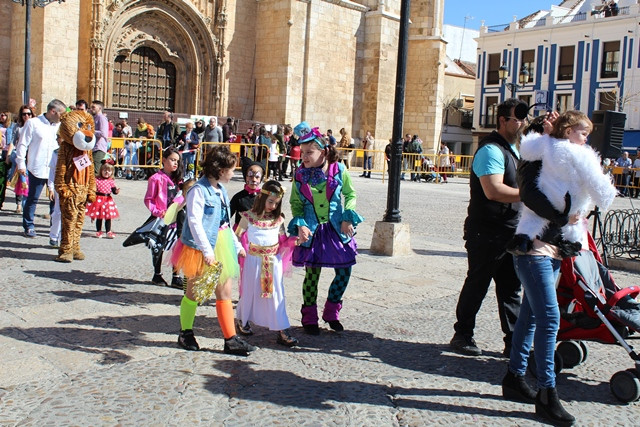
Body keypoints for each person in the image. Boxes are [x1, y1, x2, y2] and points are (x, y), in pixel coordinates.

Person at [502, 111, 616, 426]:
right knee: (549, 319)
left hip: (553, 251)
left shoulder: (564, 162)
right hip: (533, 248)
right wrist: (564, 218)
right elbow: (530, 195)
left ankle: (513, 377)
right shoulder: (536, 159)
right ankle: (547, 394)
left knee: (529, 316)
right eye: (580, 133)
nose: (585, 140)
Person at [450, 98, 526, 357]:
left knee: (511, 288)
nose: (522, 123)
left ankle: (514, 341)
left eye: (524, 118)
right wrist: (528, 196)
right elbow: (493, 190)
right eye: (517, 118)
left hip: (509, 230)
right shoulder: (491, 150)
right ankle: (462, 335)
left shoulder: (515, 150)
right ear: (503, 120)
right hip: (487, 231)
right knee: (478, 283)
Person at [171, 145, 256, 356]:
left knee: (224, 292)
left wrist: (235, 245)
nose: (233, 173)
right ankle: (186, 333)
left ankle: (230, 338)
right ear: (220, 170)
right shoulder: (198, 190)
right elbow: (194, 222)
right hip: (199, 247)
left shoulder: (221, 190)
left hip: (221, 244)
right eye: (231, 169)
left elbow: (224, 222)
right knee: (193, 292)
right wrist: (206, 251)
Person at [289, 122, 363, 335]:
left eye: (309, 152)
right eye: (302, 152)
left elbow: (350, 194)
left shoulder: (339, 169)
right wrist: (301, 224)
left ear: (323, 151)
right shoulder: (300, 175)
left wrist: (348, 217)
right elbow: (296, 204)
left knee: (344, 271)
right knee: (312, 274)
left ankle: (331, 312)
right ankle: (309, 317)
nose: (303, 156)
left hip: (337, 228)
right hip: (312, 232)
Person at [235, 180, 299, 347]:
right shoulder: (248, 217)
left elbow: (283, 241)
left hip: (273, 262)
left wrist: (295, 241)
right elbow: (235, 236)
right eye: (270, 201)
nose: (272, 206)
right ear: (262, 198)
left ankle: (282, 329)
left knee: (277, 294)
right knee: (249, 290)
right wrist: (239, 248)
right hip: (252, 260)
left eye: (276, 203)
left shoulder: (278, 220)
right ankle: (243, 319)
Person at [16, 99, 66, 238]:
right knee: (32, 198)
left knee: (55, 200)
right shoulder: (33, 123)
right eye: (61, 113)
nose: (63, 117)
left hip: (55, 168)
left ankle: (54, 228)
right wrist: (21, 164)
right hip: (36, 167)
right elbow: (22, 144)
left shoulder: (60, 126)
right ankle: (29, 225)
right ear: (52, 111)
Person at [144, 146, 185, 289]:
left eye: (177, 161)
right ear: (164, 160)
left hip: (176, 218)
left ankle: (176, 276)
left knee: (177, 246)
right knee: (158, 246)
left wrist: (178, 205)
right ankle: (157, 274)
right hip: (160, 219)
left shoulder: (180, 180)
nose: (175, 164)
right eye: (172, 160)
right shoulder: (155, 179)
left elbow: (183, 197)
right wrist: (157, 211)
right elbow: (149, 199)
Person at [85, 160, 120, 238]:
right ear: (101, 171)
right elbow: (93, 188)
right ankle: (98, 231)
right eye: (105, 170)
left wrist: (116, 191)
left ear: (112, 172)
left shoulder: (111, 181)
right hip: (99, 200)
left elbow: (113, 190)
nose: (107, 172)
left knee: (108, 217)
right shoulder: (97, 179)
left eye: (109, 171)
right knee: (99, 217)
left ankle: (108, 231)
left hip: (107, 200)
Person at [230, 158, 265, 227]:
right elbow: (227, 216)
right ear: (245, 177)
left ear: (261, 179)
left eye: (257, 177)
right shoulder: (238, 197)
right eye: (250, 176)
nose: (254, 179)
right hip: (240, 232)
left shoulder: (264, 197)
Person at [90, 100, 109, 175]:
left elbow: (103, 133)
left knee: (95, 170)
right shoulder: (94, 118)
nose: (91, 109)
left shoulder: (101, 118)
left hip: (99, 147)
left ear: (100, 108)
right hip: (93, 147)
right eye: (91, 107)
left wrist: (91, 131)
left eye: (93, 107)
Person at [47, 147, 61, 247]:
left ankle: (66, 239)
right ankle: (54, 236)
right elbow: (52, 171)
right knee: (58, 212)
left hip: (75, 187)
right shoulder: (56, 152)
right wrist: (51, 187)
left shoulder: (79, 151)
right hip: (60, 186)